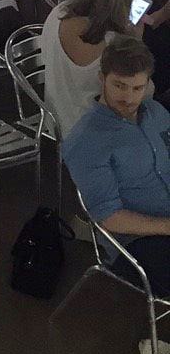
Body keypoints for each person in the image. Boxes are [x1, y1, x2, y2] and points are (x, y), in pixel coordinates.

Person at [63, 36, 170, 296]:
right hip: (136, 241)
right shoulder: (86, 141)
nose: (128, 98)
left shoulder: (155, 113)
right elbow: (110, 218)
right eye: (119, 86)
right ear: (102, 78)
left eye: (137, 88)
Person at [40, 0, 155, 137]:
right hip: (94, 133)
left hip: (54, 120)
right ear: (126, 0)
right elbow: (142, 94)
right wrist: (136, 42)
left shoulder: (59, 12)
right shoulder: (115, 47)